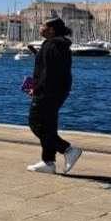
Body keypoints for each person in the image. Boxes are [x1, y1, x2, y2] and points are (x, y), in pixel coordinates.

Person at [25, 17, 83, 174]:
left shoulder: (52, 45)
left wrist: (35, 89)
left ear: (51, 29)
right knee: (48, 125)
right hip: (58, 91)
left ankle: (67, 150)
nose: (40, 27)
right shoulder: (59, 45)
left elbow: (48, 73)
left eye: (43, 25)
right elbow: (51, 68)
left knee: (36, 123)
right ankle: (48, 162)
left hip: (47, 92)